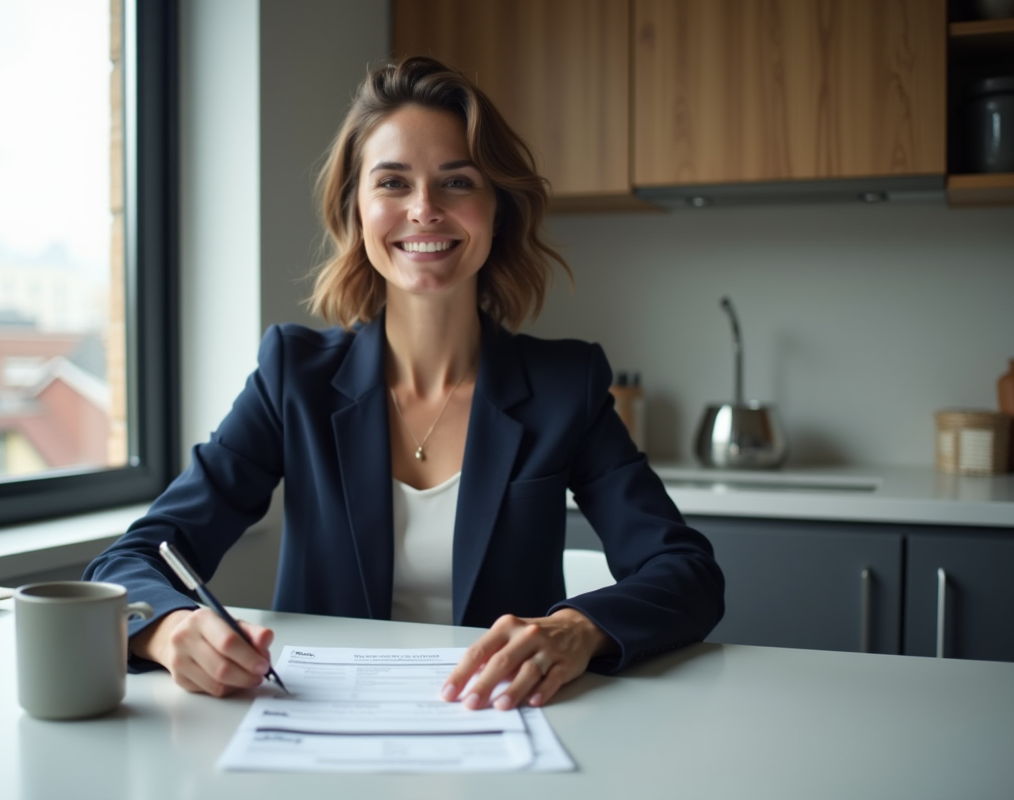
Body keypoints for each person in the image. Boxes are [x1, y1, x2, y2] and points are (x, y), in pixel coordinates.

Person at [84, 56, 724, 712]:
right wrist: (170, 629)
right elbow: (134, 560)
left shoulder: (567, 385)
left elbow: (687, 573)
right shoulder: (292, 378)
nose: (424, 210)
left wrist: (575, 629)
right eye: (392, 182)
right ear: (357, 210)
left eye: (457, 182)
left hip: (499, 725)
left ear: (496, 210)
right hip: (316, 729)